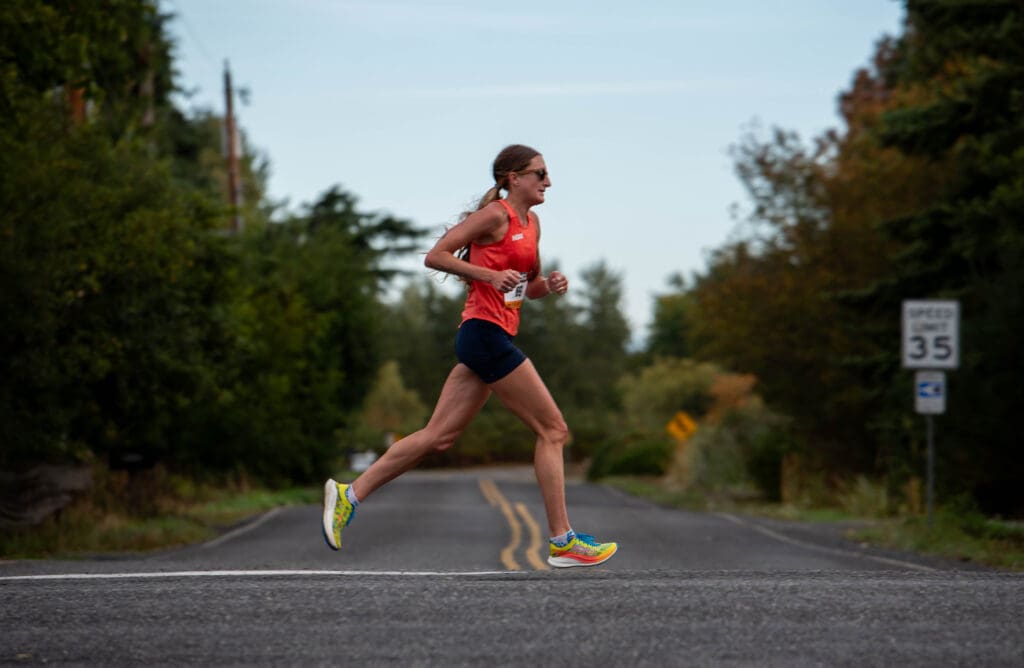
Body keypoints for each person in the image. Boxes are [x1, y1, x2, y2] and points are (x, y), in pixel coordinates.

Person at [322, 144, 617, 568]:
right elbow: (434, 256)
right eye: (540, 173)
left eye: (547, 174)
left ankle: (349, 496)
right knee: (553, 429)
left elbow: (526, 287)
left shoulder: (532, 223)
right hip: (484, 335)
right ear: (513, 178)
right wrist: (489, 274)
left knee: (437, 437)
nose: (547, 182)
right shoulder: (494, 216)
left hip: (488, 336)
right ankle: (562, 540)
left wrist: (547, 285)